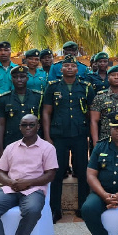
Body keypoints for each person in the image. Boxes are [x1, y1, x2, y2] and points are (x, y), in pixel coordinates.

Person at [43, 54, 96, 222]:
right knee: (57, 173)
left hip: (80, 135)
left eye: (73, 66)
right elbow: (46, 112)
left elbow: (92, 113)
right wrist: (46, 137)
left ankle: (83, 207)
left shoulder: (86, 87)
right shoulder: (52, 87)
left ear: (77, 69)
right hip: (58, 136)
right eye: (66, 66)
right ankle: (55, 210)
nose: (70, 68)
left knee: (82, 172)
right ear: (61, 69)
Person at [0, 65, 44, 155]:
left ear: (27, 78)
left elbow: (43, 121)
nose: (19, 80)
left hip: (34, 142)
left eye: (22, 77)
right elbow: (0, 124)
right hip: (12, 141)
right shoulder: (4, 99)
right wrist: (0, 150)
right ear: (11, 79)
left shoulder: (38, 97)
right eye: (15, 77)